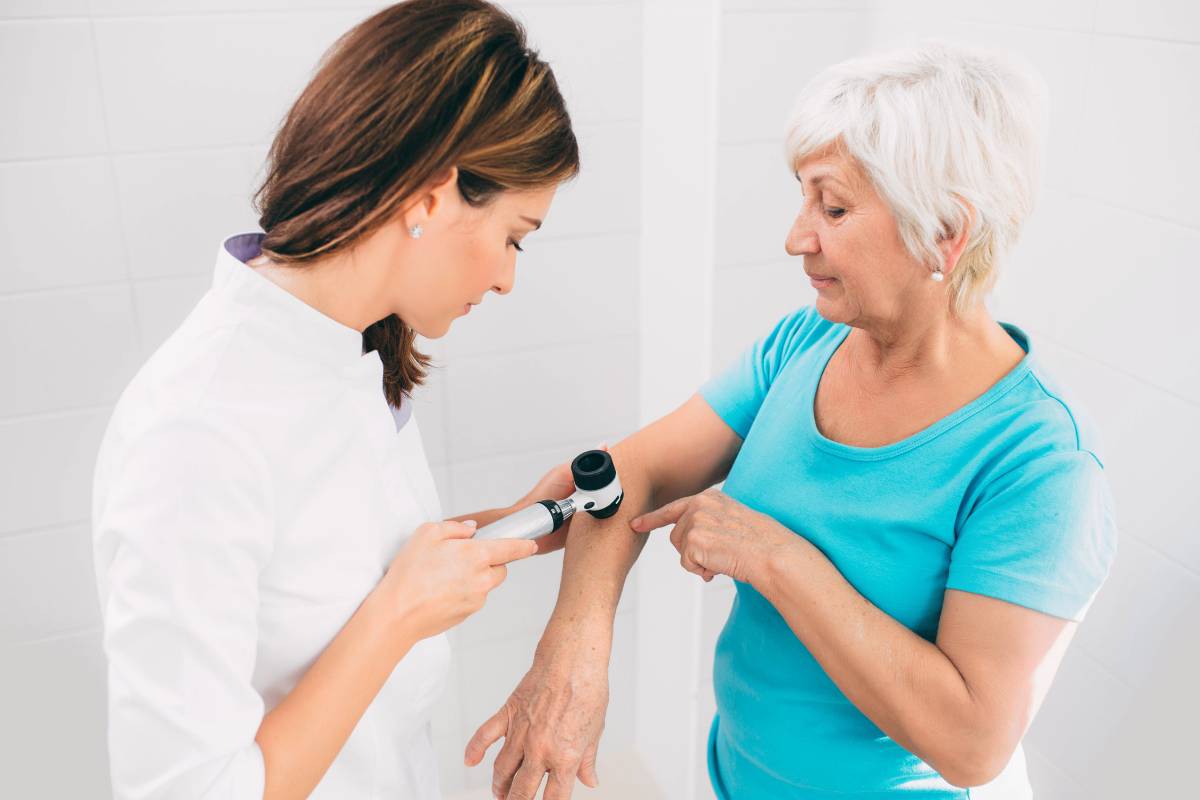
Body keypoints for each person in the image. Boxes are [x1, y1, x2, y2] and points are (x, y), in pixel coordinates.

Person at [468, 42, 1117, 799]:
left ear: (945, 231)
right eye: (803, 199)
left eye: (832, 206)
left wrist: (779, 559)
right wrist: (574, 652)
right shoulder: (804, 344)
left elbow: (972, 744)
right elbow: (633, 473)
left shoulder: (1039, 463)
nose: (796, 237)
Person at [91, 2, 581, 797]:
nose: (506, 277)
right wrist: (399, 615)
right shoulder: (197, 433)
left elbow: (332, 567)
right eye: (514, 235)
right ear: (431, 198)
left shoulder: (347, 346)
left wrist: (513, 525)